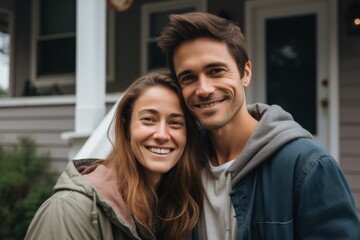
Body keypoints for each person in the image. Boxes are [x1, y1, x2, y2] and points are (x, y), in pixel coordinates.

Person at [157, 12, 360, 239]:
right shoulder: (180, 165)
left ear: (245, 73)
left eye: (216, 71)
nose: (203, 89)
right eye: (188, 77)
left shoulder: (308, 166)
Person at [25, 71, 204, 240]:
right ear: (126, 127)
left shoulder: (177, 209)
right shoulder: (69, 210)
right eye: (148, 119)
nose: (162, 135)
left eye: (175, 122)